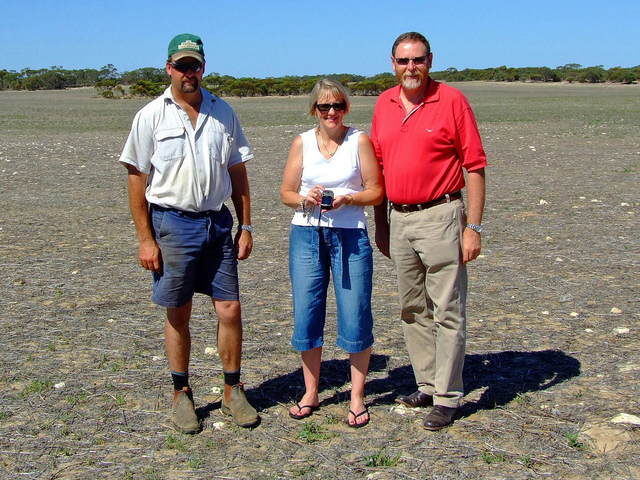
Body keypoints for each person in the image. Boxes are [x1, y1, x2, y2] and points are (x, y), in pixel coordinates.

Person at [119, 33, 259, 434]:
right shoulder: (151, 115)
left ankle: (234, 389)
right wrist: (146, 238)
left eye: (194, 65)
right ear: (169, 68)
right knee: (178, 311)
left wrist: (245, 224)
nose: (188, 73)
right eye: (181, 66)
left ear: (203, 67)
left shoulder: (223, 111)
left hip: (217, 224)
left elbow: (238, 172)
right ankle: (181, 393)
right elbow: (136, 177)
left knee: (229, 308)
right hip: (172, 224)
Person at [372, 32, 487, 430]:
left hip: (442, 215)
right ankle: (426, 382)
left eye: (417, 60)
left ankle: (448, 396)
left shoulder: (452, 100)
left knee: (447, 309)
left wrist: (472, 227)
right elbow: (379, 170)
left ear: (430, 60)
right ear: (392, 63)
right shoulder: (384, 104)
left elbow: (474, 165)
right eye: (403, 61)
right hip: (399, 218)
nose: (411, 68)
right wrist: (382, 225)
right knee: (412, 308)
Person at [280, 79, 384, 428]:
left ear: (346, 107)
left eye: (338, 105)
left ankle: (356, 397)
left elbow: (376, 191)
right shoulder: (302, 143)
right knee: (307, 312)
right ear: (314, 110)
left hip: (350, 236)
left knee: (355, 313)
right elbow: (286, 192)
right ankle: (311, 391)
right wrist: (305, 198)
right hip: (307, 234)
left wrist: (349, 198)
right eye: (324, 107)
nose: (331, 112)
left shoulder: (359, 141)